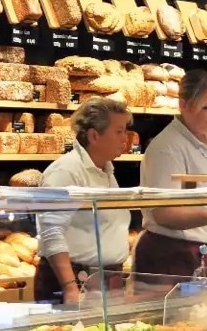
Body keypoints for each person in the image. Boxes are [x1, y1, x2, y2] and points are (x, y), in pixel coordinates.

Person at [136, 69, 207, 278]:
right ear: (183, 105)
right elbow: (164, 212)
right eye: (206, 107)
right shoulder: (167, 148)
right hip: (179, 261)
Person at [35, 97, 133, 303]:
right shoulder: (65, 171)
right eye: (119, 131)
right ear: (94, 136)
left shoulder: (106, 171)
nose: (125, 138)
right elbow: (51, 232)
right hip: (76, 281)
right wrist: (70, 287)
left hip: (106, 280)